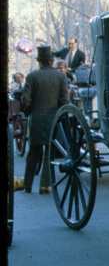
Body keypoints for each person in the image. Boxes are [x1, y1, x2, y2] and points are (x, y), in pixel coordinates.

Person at [21, 45, 70, 194]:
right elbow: (65, 100)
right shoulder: (61, 77)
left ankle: (27, 184)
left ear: (39, 61)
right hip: (53, 119)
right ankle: (44, 185)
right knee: (49, 152)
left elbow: (26, 99)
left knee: (33, 152)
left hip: (36, 118)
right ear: (52, 61)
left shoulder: (32, 76)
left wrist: (31, 111)